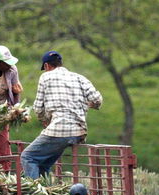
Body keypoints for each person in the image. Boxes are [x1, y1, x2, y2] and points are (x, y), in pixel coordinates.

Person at [21, 51, 103, 179]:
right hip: (78, 132)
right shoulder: (79, 77)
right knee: (44, 162)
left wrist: (45, 121)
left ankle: (34, 194)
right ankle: (45, 190)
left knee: (28, 157)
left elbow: (38, 108)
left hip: (59, 130)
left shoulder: (45, 77)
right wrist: (89, 105)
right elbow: (97, 99)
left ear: (47, 66)